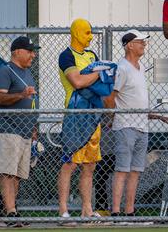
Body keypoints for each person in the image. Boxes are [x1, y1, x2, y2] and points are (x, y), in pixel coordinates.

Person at [105, 30, 168, 217]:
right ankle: (116, 211)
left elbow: (136, 99)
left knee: (135, 171)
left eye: (143, 41)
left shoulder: (141, 68)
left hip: (143, 127)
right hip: (126, 126)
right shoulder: (122, 68)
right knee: (122, 169)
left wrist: (157, 116)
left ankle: (129, 210)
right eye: (139, 41)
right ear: (129, 45)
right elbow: (111, 98)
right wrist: (113, 117)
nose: (144, 44)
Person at [0, 36, 40, 227]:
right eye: (29, 51)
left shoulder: (27, 72)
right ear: (16, 52)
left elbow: (31, 102)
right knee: (7, 173)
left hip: (25, 131)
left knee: (17, 174)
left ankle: (9, 213)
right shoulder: (5, 70)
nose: (33, 55)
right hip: (7, 129)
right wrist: (21, 94)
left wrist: (33, 126)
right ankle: (10, 212)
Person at [57, 18, 101, 221]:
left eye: (91, 32)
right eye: (86, 33)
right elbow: (76, 82)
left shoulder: (92, 55)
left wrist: (94, 76)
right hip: (75, 115)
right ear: (76, 33)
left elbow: (100, 84)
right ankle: (63, 210)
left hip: (93, 116)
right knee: (70, 163)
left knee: (89, 165)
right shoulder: (66, 56)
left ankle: (87, 209)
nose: (90, 37)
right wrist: (97, 74)